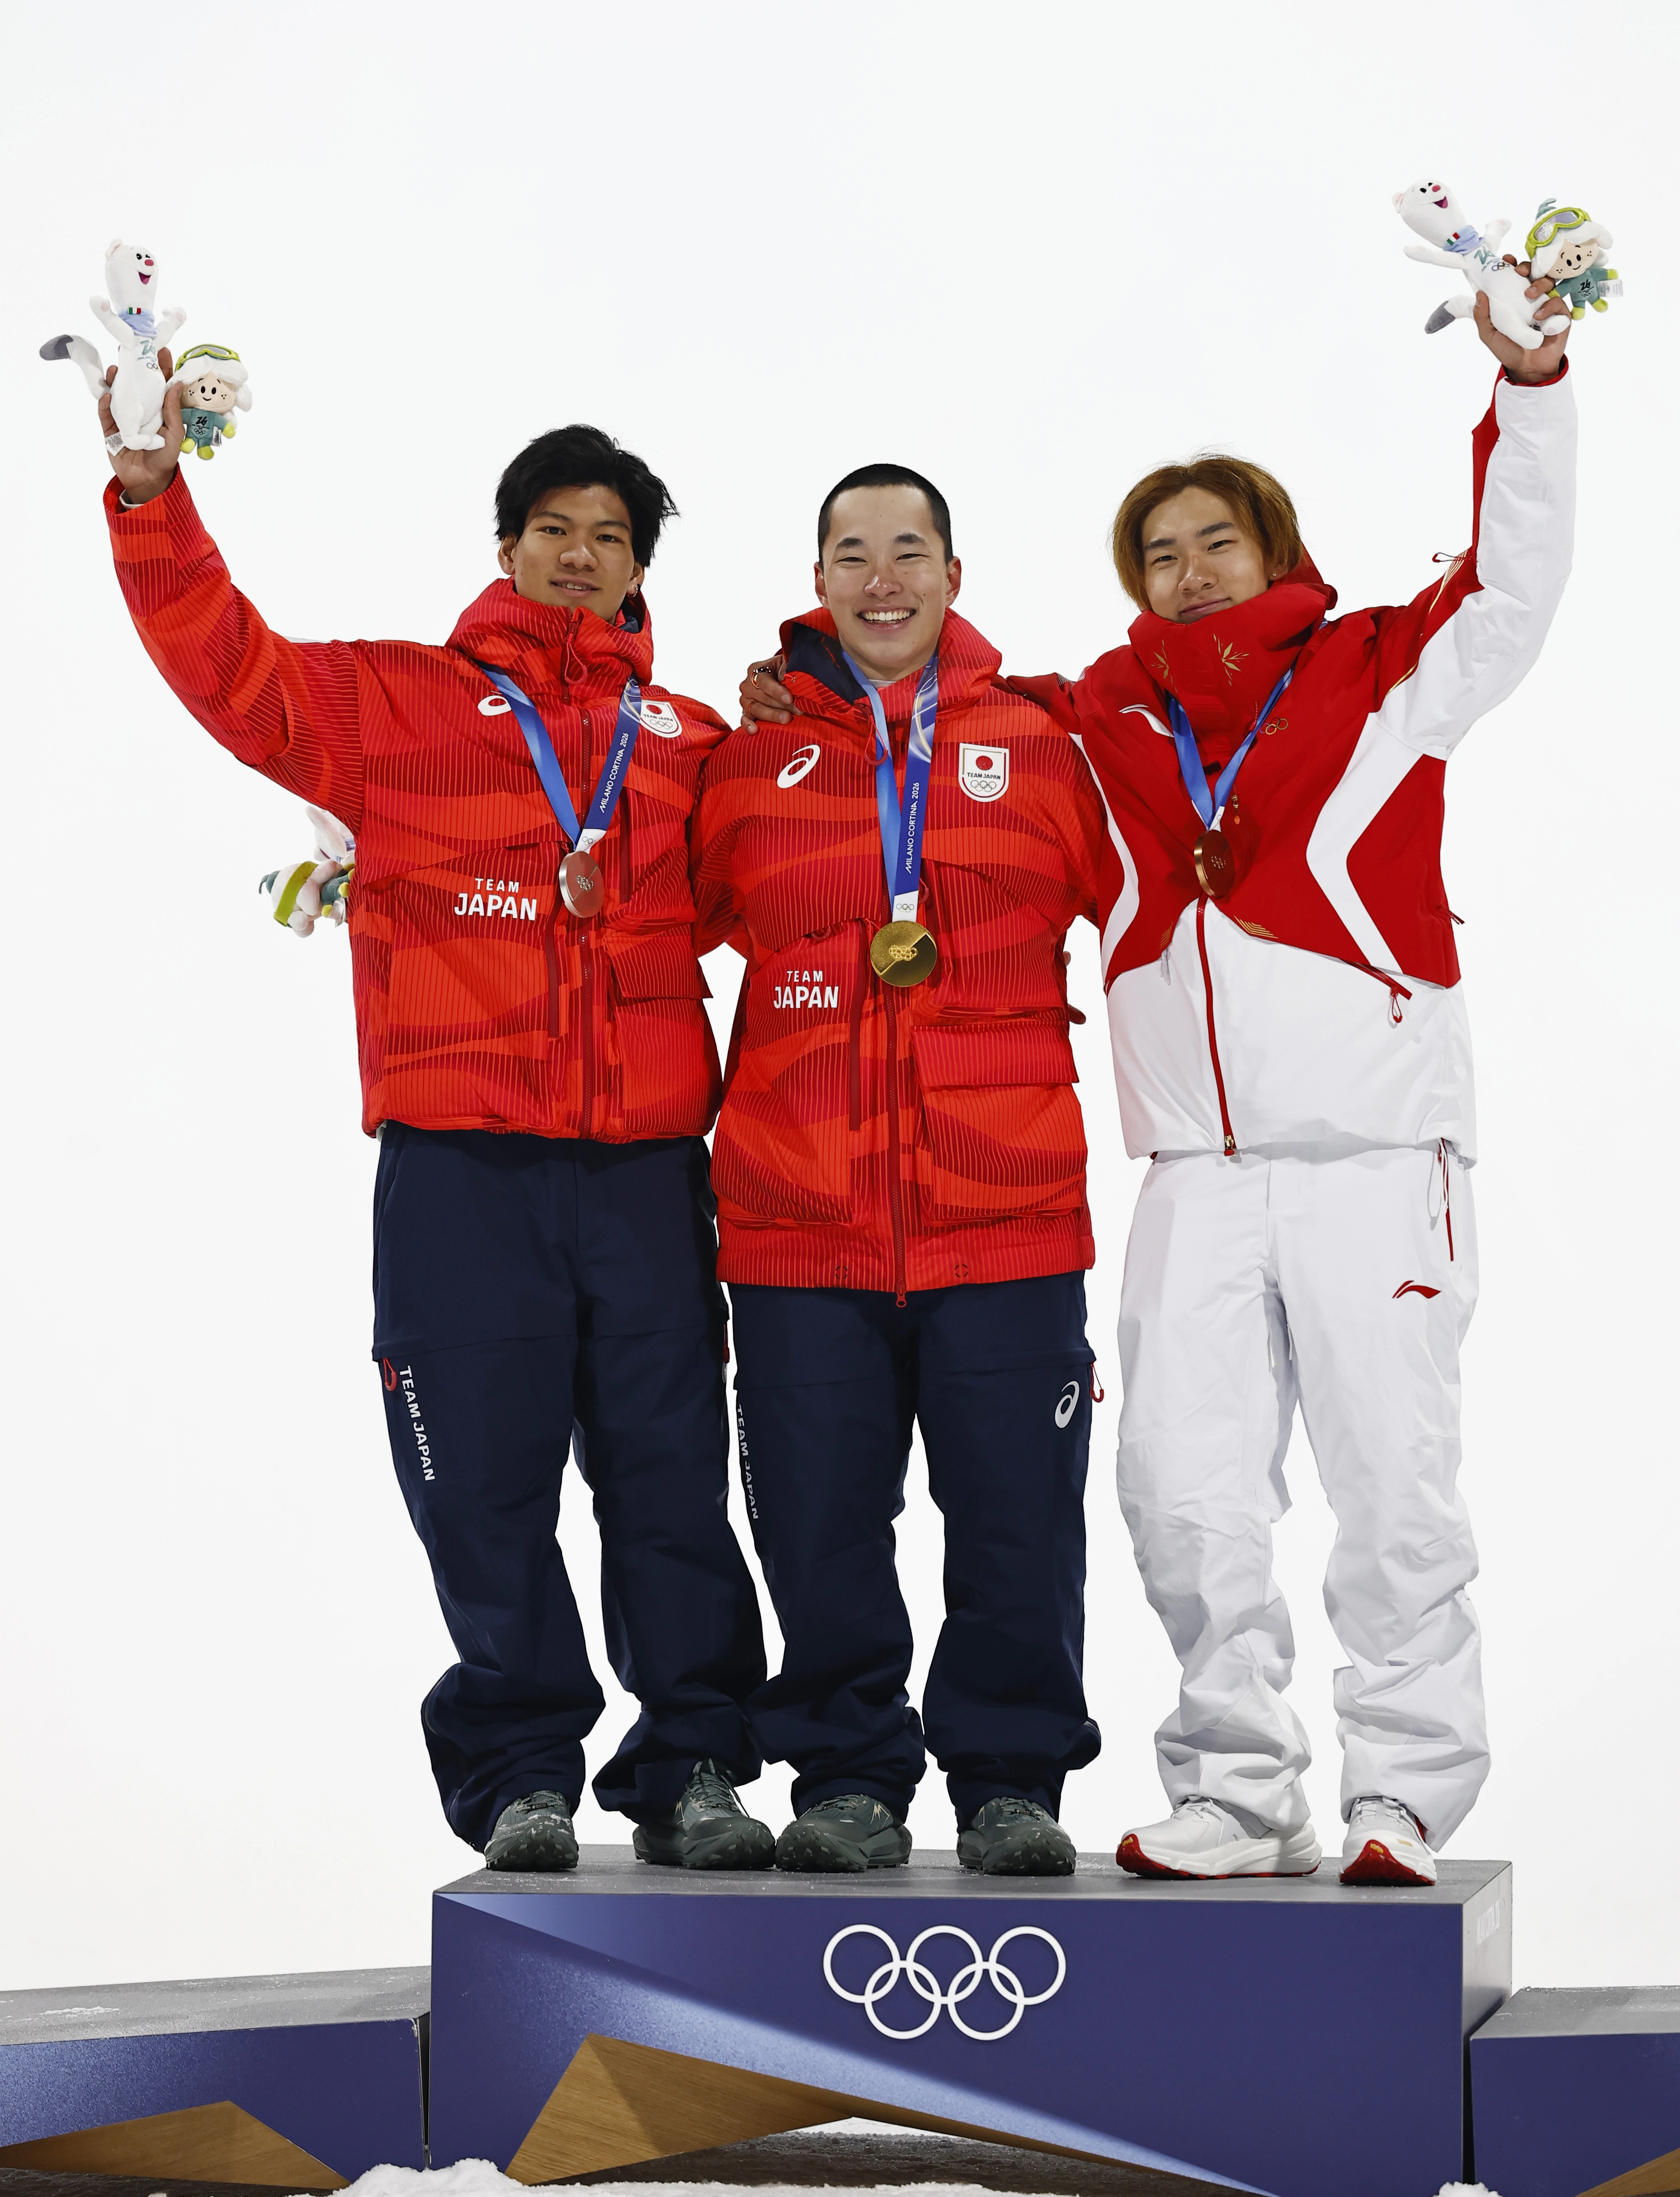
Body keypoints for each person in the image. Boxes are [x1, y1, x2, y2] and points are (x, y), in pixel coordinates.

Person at [740, 277, 1576, 1886]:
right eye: (1162, 555)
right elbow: (916, 705)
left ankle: (1399, 1794)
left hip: (1374, 1154)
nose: (1192, 574)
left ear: (1275, 551)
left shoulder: (1380, 671)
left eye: (1219, 544)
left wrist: (1529, 390)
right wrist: (797, 678)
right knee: (1186, 1498)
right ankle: (1242, 1789)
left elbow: (1516, 583)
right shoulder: (1099, 713)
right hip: (1193, 1173)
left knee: (1392, 1490)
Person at [95, 376, 773, 1874]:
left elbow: (783, 868)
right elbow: (233, 670)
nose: (581, 556)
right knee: (479, 1483)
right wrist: (154, 499)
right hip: (462, 1165)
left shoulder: (689, 741)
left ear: (644, 564)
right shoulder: (396, 705)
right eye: (553, 529)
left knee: (669, 1481)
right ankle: (523, 1767)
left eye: (610, 534)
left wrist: (803, 700)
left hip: (649, 1169)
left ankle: (696, 1768)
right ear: (507, 544)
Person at [693, 465, 1111, 1877]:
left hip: (1006, 1212)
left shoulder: (1045, 747)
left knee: (1016, 1519)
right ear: (817, 584)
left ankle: (1010, 1779)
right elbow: (632, 911)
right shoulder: (744, 764)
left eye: (908, 550)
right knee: (818, 1524)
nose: (883, 578)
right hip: (798, 1217)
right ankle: (848, 1775)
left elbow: (1164, 895)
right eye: (853, 554)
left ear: (954, 571)